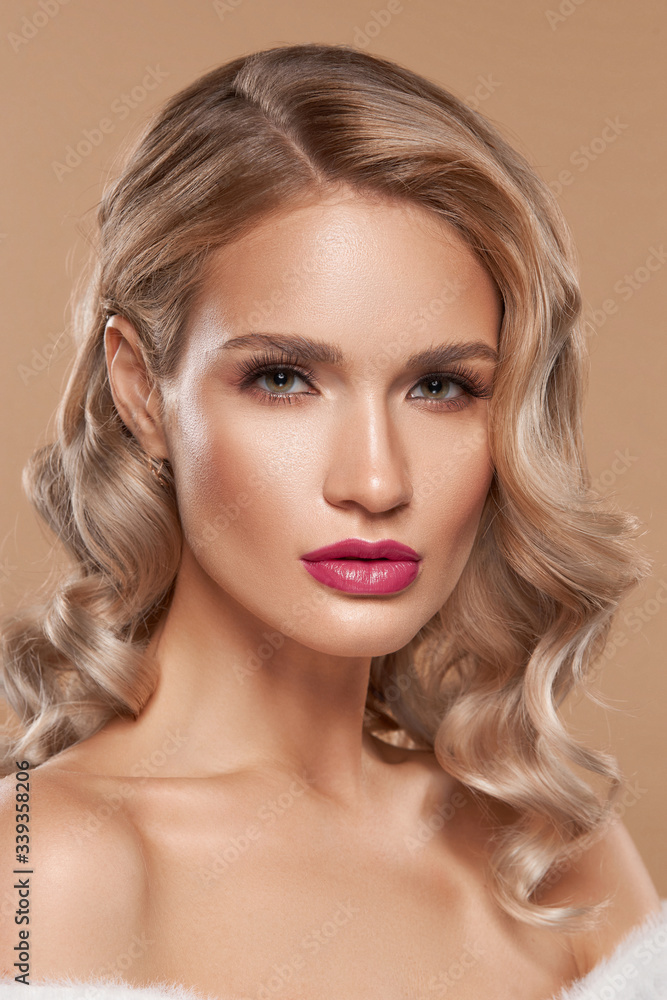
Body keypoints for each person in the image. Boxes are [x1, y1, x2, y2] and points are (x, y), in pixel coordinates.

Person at [0, 42, 664, 1000]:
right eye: (282, 379)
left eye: (440, 387)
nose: (375, 479)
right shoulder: (43, 867)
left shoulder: (553, 862)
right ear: (141, 389)